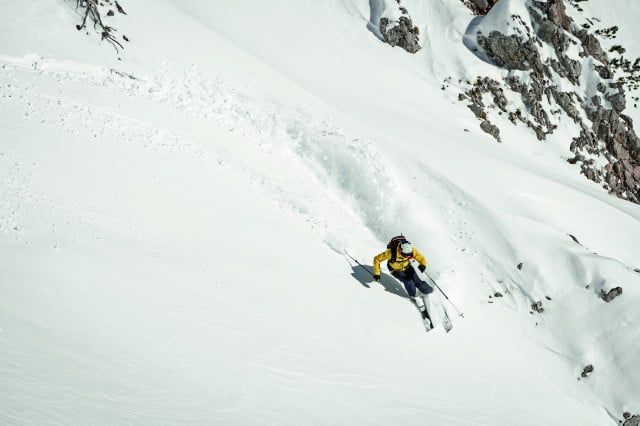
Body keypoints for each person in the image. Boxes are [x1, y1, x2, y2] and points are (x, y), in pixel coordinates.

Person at [373, 237, 433, 319]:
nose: (407, 256)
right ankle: (415, 297)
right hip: (396, 270)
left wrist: (423, 264)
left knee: (418, 282)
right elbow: (377, 259)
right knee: (408, 282)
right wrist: (377, 273)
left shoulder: (411, 250)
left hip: (408, 267)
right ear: (400, 250)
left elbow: (421, 258)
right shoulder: (391, 252)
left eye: (408, 255)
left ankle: (430, 292)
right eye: (405, 255)